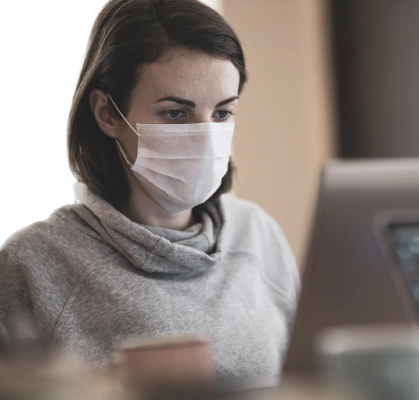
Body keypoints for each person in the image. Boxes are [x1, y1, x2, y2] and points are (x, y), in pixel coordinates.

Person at [0, 0, 299, 379]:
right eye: (176, 113)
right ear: (107, 113)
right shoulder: (31, 264)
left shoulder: (258, 236)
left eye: (222, 113)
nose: (206, 140)